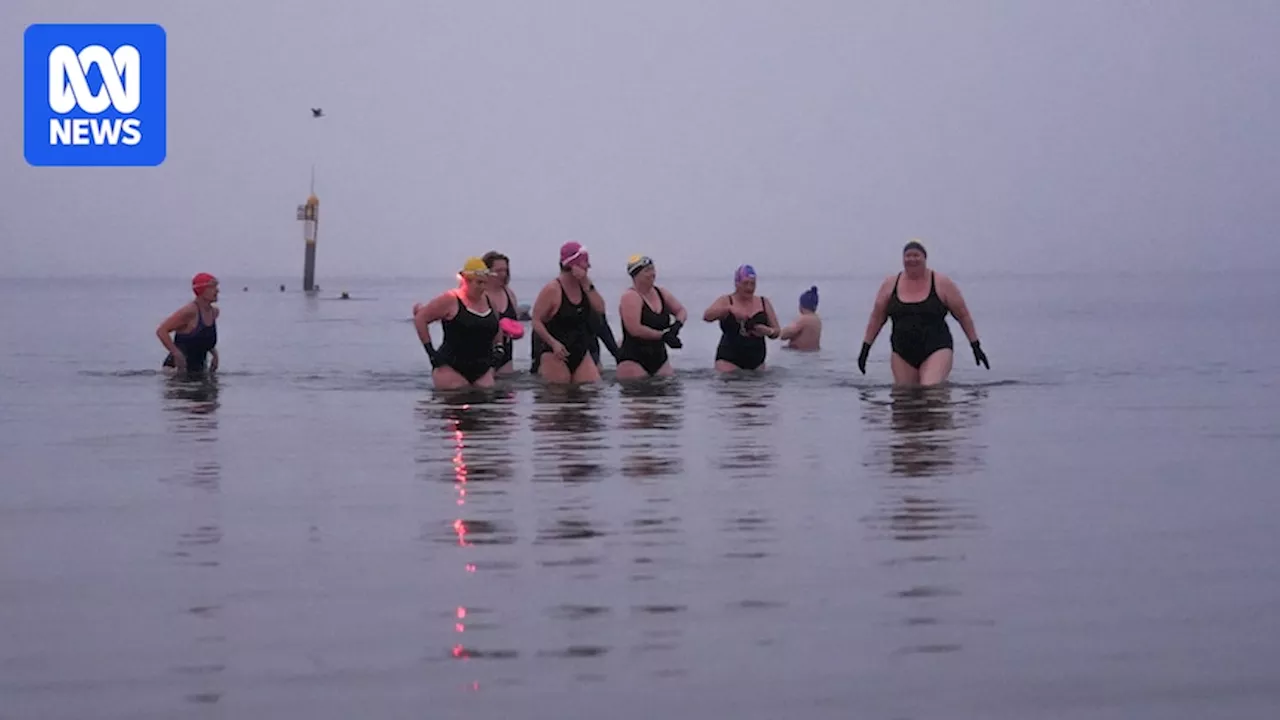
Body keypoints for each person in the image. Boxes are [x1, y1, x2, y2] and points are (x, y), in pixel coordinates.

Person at [858, 239, 990, 386]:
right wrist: (865, 349)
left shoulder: (942, 283)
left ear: (924, 258)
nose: (912, 259)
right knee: (904, 396)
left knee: (930, 389)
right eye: (908, 256)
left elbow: (963, 316)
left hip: (937, 348)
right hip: (902, 351)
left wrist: (975, 346)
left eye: (916, 255)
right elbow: (877, 318)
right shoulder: (890, 285)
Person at [413, 257, 507, 390]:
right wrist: (431, 353)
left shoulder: (489, 301)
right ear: (466, 281)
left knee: (486, 400)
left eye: (485, 283)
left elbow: (496, 326)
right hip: (450, 366)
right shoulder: (450, 299)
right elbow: (420, 319)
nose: (482, 288)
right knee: (457, 397)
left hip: (482, 367)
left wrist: (499, 347)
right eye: (478, 283)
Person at [530, 242, 606, 383]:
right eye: (585, 263)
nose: (588, 267)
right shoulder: (553, 289)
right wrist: (553, 343)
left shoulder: (585, 285)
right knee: (560, 393)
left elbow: (600, 308)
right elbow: (536, 320)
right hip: (555, 351)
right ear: (572, 265)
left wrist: (586, 283)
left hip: (580, 350)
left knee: (592, 388)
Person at [616, 255, 688, 379]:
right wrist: (663, 335)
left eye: (653, 269)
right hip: (634, 359)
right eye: (647, 271)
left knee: (670, 395)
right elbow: (635, 329)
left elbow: (681, 310)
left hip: (660, 358)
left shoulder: (661, 293)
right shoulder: (630, 297)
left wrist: (676, 326)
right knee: (641, 393)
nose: (652, 274)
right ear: (636, 275)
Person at [702, 264, 781, 372]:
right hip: (729, 361)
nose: (749, 288)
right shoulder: (727, 300)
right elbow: (707, 316)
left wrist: (768, 331)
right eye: (745, 283)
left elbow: (777, 331)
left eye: (753, 284)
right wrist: (728, 309)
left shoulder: (763, 302)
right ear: (737, 283)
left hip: (757, 363)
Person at [158, 272, 220, 374]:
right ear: (201, 290)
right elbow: (161, 331)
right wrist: (177, 354)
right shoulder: (190, 311)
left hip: (198, 370)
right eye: (212, 287)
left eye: (216, 287)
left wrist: (215, 355)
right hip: (176, 371)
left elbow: (202, 338)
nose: (217, 290)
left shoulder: (214, 313)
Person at [482, 251, 520, 375]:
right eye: (498, 271)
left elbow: (515, 322)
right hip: (483, 354)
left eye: (505, 270)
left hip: (506, 355)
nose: (503, 274)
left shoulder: (509, 294)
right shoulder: (479, 296)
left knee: (507, 389)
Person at [780, 285, 822, 351]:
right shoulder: (817, 320)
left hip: (800, 352)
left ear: (801, 305)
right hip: (813, 352)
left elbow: (784, 335)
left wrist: (781, 331)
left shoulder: (803, 319)